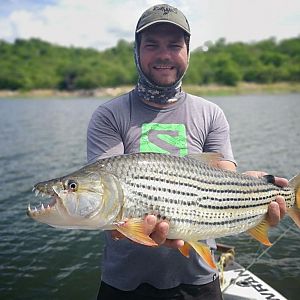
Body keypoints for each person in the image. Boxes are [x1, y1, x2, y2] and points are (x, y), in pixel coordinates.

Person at [87, 4, 287, 300]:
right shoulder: (109, 115)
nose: (164, 55)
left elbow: (224, 179)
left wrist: (255, 190)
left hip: (198, 279)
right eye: (152, 44)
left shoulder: (211, 113)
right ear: (137, 51)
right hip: (125, 281)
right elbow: (104, 207)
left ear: (188, 52)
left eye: (175, 45)